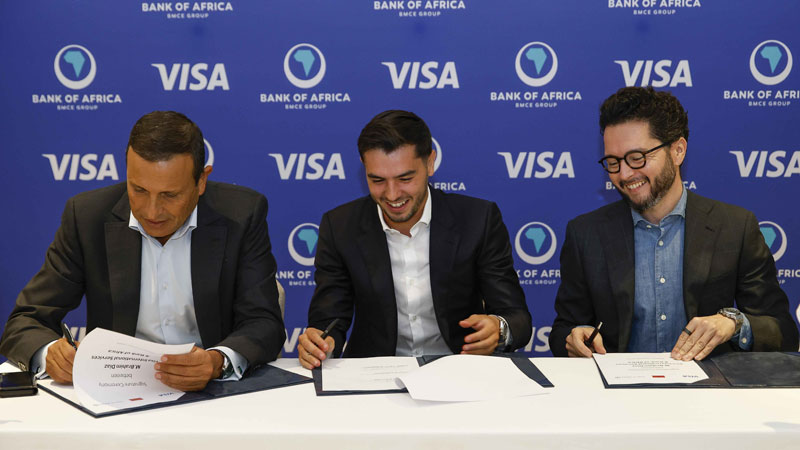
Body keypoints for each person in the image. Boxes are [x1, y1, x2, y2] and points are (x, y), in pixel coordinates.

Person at [0, 111, 285, 390]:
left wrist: (217, 361)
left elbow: (264, 323)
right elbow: (26, 320)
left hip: (212, 393)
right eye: (138, 190)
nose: (151, 211)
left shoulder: (242, 215)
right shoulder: (87, 217)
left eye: (169, 195)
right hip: (118, 394)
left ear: (201, 181)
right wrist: (50, 352)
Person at [550, 86, 798, 360]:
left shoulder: (735, 227)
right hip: (616, 397)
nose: (624, 173)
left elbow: (782, 331)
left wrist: (733, 324)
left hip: (711, 395)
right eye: (613, 161)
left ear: (678, 151)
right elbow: (563, 330)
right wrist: (574, 337)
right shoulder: (586, 234)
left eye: (637, 158)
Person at [298, 110, 531, 369]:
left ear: (430, 163)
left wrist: (498, 329)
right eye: (377, 180)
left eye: (405, 178)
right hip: (374, 374)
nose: (392, 194)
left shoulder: (478, 219)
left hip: (461, 369)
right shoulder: (340, 226)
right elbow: (329, 319)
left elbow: (517, 318)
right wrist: (321, 343)